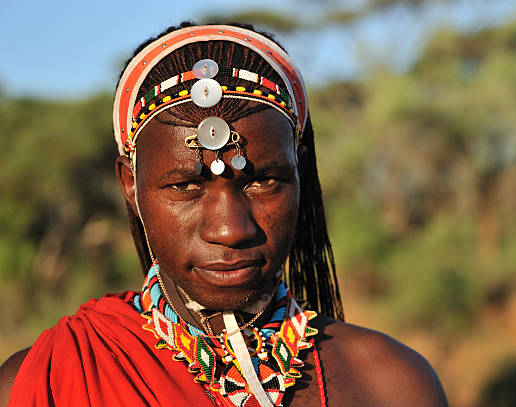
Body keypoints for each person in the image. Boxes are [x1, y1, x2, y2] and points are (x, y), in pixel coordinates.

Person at [0, 23, 448, 406]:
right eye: (185, 186)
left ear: (301, 172)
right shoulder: (49, 382)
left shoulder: (391, 385)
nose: (230, 230)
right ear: (130, 186)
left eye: (263, 181)